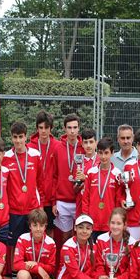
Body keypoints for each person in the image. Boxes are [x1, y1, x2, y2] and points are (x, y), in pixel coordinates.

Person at [4, 121, 45, 279]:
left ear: (26, 136)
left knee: (32, 243)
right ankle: (14, 278)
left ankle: (33, 277)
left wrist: (41, 204)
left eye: (21, 137)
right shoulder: (6, 157)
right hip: (14, 209)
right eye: (15, 137)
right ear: (11, 138)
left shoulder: (35, 155)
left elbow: (41, 182)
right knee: (14, 245)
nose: (18, 141)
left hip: (32, 208)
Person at [52, 114, 84, 267]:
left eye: (75, 128)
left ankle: (77, 266)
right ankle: (64, 267)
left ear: (79, 129)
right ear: (65, 129)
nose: (72, 131)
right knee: (64, 236)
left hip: (79, 200)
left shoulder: (85, 147)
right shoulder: (58, 148)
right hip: (62, 200)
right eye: (69, 128)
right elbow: (53, 176)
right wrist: (53, 201)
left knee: (79, 235)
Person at [13, 209, 56, 279]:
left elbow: (51, 268)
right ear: (30, 226)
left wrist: (37, 265)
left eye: (41, 225)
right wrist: (38, 268)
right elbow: (16, 264)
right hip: (29, 278)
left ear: (45, 226)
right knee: (22, 275)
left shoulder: (51, 243)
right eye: (34, 225)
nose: (38, 229)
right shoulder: (22, 239)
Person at [28, 110, 61, 237]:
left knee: (49, 231)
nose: (43, 131)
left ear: (51, 128)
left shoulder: (57, 146)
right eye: (40, 127)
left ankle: (49, 257)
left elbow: (57, 175)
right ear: (37, 128)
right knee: (33, 232)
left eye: (46, 128)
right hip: (34, 199)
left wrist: (54, 201)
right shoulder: (29, 147)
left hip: (50, 198)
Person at [83, 137, 122, 241]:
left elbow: (118, 201)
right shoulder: (91, 172)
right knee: (92, 252)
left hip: (109, 223)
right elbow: (85, 198)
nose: (103, 156)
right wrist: (86, 219)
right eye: (100, 153)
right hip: (92, 222)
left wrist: (116, 221)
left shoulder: (117, 174)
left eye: (106, 153)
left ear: (112, 153)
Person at [75, 128, 99, 218]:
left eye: (91, 142)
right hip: (81, 204)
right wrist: (79, 183)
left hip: (96, 203)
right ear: (82, 144)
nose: (88, 145)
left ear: (96, 143)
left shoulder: (101, 160)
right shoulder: (78, 161)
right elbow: (75, 189)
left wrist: (85, 179)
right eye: (85, 142)